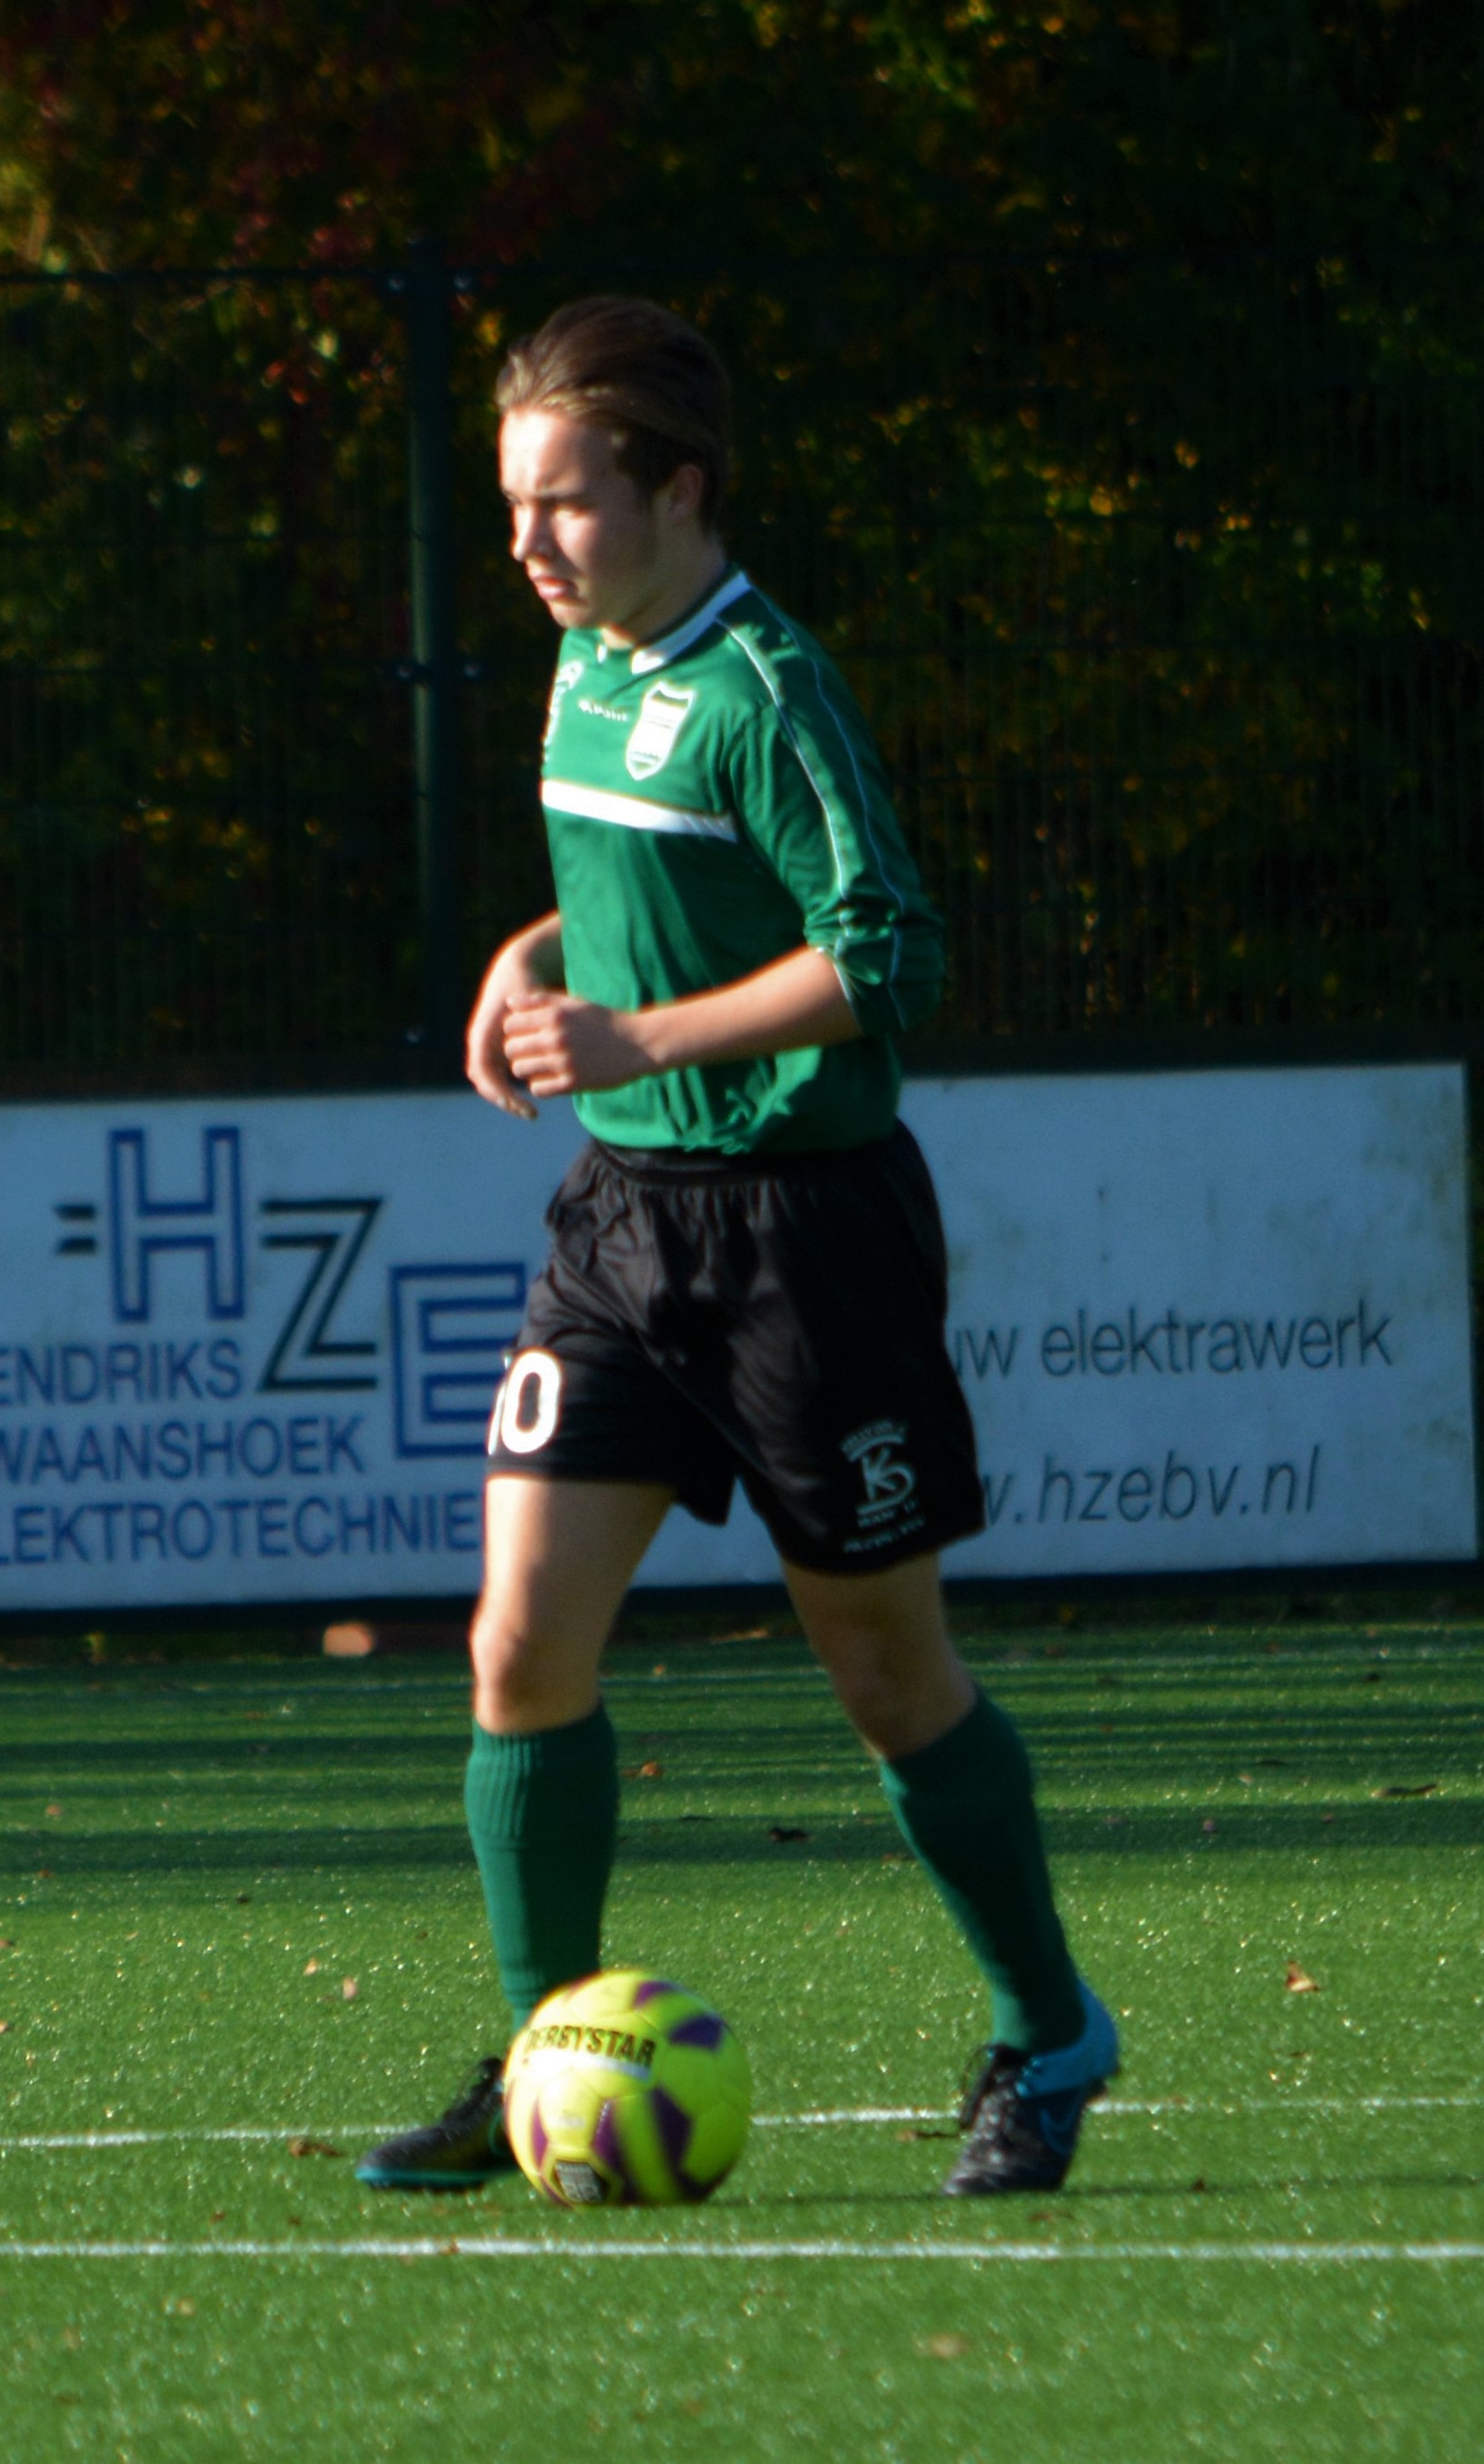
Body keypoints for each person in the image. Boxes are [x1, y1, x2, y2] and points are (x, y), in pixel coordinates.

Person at [354, 297, 1115, 2201]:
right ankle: (547, 2049)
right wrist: (541, 954)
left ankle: (1051, 2032)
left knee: (884, 1672)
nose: (526, 545)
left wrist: (638, 1033)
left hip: (805, 1238)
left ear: (677, 490)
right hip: (617, 1226)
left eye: (566, 506)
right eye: (515, 505)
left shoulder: (764, 682)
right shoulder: (586, 664)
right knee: (518, 1644)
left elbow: (886, 955)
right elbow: (652, 875)